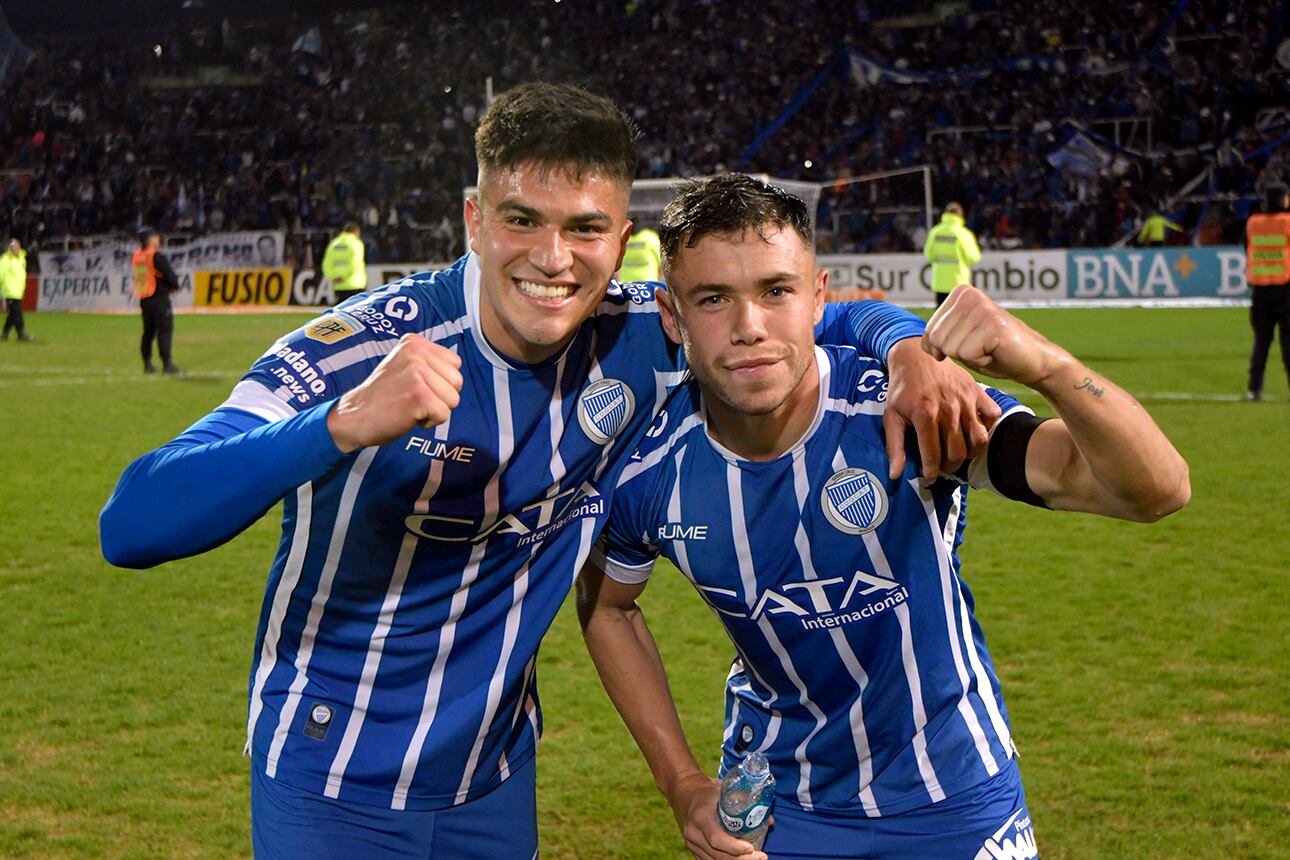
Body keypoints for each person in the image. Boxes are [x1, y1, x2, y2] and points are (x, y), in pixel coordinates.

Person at [100, 84, 996, 859]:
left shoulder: (640, 333)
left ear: (621, 242)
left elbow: (790, 311)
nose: (554, 258)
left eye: (586, 229)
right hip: (334, 777)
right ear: (474, 219)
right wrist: (337, 426)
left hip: (495, 775)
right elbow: (132, 522)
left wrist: (910, 344)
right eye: (522, 220)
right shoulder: (362, 349)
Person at [578, 174, 1190, 860]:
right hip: (777, 809)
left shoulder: (903, 409)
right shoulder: (647, 463)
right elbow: (610, 609)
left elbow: (1157, 491)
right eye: (714, 298)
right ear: (672, 315)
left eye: (776, 291)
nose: (749, 327)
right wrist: (682, 782)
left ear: (819, 298)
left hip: (953, 799)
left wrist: (1046, 366)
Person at [1244, 182, 1290, 401]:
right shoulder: (1287, 223)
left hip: (1261, 290)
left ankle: (1254, 389)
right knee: (1288, 342)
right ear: (1282, 199)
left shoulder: (1253, 223)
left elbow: (1248, 247)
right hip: (1285, 289)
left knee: (1261, 342)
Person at [131, 229, 181, 374]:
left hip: (145, 297)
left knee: (148, 332)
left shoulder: (137, 256)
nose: (158, 240)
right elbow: (169, 274)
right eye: (156, 238)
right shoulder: (155, 256)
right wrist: (174, 286)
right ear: (151, 240)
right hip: (159, 298)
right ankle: (167, 365)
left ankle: (147, 364)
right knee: (165, 330)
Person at [923, 202, 980, 307]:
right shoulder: (963, 234)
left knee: (941, 315)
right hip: (958, 282)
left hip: (940, 281)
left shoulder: (935, 232)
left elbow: (928, 254)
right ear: (960, 215)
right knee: (958, 316)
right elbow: (973, 257)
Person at [322, 222, 367, 305]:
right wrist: (343, 276)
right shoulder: (355, 243)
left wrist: (332, 277)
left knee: (341, 313)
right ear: (356, 231)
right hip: (355, 284)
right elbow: (355, 262)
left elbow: (327, 263)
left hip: (339, 285)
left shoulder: (333, 244)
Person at [1, 237, 32, 342]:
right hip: (9, 290)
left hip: (18, 290)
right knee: (16, 312)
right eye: (14, 246)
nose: (16, 248)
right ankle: (21, 334)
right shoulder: (6, 259)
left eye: (17, 246)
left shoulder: (21, 258)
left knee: (14, 313)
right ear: (10, 248)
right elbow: (1, 274)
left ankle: (7, 333)